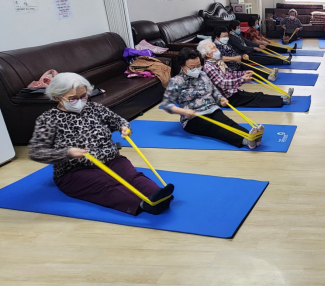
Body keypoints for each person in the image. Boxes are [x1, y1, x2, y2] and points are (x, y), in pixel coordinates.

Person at [28, 72, 174, 215]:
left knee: (132, 176)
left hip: (110, 158)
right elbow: (36, 152)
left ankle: (158, 196)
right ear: (57, 97)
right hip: (75, 169)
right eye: (73, 98)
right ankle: (143, 205)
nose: (80, 101)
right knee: (108, 185)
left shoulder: (95, 108)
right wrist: (68, 153)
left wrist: (124, 128)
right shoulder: (48, 119)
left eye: (83, 96)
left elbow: (118, 120)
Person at [161, 48, 263, 149]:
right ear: (182, 66)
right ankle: (245, 140)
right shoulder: (176, 82)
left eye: (198, 65)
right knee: (216, 128)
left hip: (211, 108)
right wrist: (183, 111)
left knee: (228, 122)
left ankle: (253, 137)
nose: (197, 69)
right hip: (193, 118)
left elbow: (213, 90)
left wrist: (220, 99)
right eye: (192, 67)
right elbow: (166, 105)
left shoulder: (203, 74)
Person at [198, 39, 292, 108]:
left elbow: (230, 73)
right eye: (214, 48)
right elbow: (223, 83)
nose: (217, 49)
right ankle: (282, 100)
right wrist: (242, 79)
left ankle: (282, 99)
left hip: (234, 91)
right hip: (227, 98)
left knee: (257, 95)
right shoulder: (208, 67)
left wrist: (243, 73)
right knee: (256, 99)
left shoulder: (218, 61)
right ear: (208, 54)